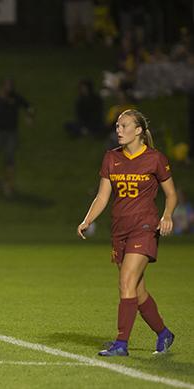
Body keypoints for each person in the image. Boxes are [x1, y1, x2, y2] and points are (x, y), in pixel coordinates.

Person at [77, 109, 177, 357]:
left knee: (125, 283)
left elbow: (171, 194)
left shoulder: (155, 159)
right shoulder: (111, 158)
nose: (118, 130)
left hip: (144, 227)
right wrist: (87, 219)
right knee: (137, 290)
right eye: (117, 127)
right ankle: (164, 334)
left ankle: (121, 343)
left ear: (139, 130)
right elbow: (102, 196)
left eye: (124, 126)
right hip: (119, 230)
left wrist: (166, 215)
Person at [0, 78, 34, 198]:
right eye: (7, 85)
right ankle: (0, 182)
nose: (9, 88)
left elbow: (28, 106)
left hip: (11, 132)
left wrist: (29, 116)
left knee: (9, 158)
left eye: (11, 85)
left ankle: (10, 185)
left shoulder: (16, 98)